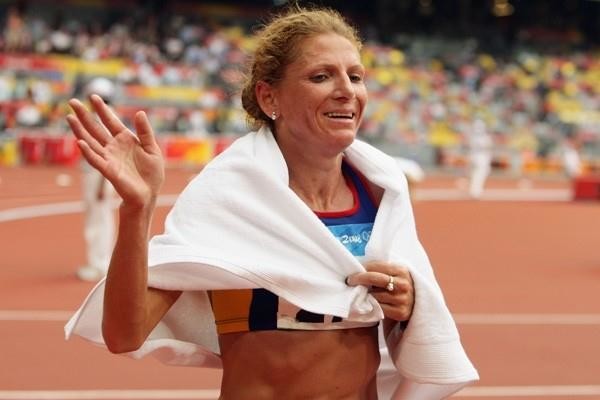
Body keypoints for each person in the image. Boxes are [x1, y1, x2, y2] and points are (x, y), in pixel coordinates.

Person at [64, 5, 478, 399]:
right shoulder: (230, 197)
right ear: (269, 98)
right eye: (321, 76)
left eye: (356, 76)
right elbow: (125, 334)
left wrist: (405, 303)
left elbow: (410, 325)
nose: (346, 91)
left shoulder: (382, 193)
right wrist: (137, 210)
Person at [76, 77, 116, 281]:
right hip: (99, 174)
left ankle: (99, 264)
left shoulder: (102, 120)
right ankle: (101, 262)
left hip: (99, 174)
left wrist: (102, 183)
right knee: (101, 218)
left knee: (97, 219)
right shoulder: (108, 117)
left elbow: (107, 154)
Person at [467, 118, 493, 199]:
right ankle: (476, 190)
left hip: (476, 156)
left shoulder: (473, 136)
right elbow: (487, 147)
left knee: (477, 173)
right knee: (480, 173)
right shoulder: (483, 137)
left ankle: (475, 189)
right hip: (481, 157)